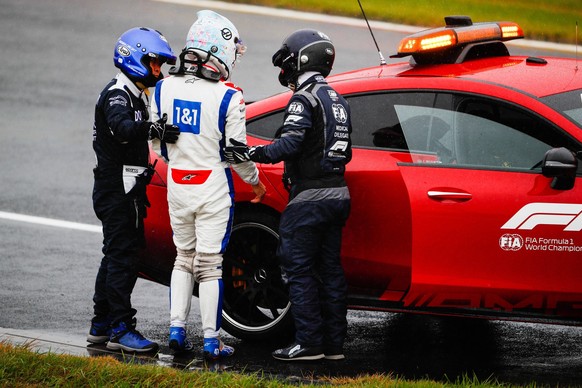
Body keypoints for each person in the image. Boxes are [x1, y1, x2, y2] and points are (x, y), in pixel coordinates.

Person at [225, 29, 352, 361]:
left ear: (300, 59)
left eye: (287, 60)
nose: (285, 69)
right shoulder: (338, 100)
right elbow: (345, 153)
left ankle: (309, 342)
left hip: (309, 198)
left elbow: (290, 144)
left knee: (298, 269)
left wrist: (251, 153)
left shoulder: (304, 98)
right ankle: (334, 345)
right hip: (339, 195)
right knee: (330, 270)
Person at [150, 10, 266, 360]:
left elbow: (157, 145)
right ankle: (212, 340)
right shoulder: (230, 96)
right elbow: (236, 154)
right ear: (221, 51)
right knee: (211, 264)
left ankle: (176, 330)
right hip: (213, 187)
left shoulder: (162, 88)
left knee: (182, 258)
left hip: (177, 183)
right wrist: (257, 183)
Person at [88, 27, 180, 353]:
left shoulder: (139, 94)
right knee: (123, 259)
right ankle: (120, 329)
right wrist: (153, 128)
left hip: (129, 191)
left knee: (116, 256)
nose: (159, 70)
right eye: (154, 63)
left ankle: (100, 324)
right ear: (135, 58)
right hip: (115, 190)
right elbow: (123, 129)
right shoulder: (117, 94)